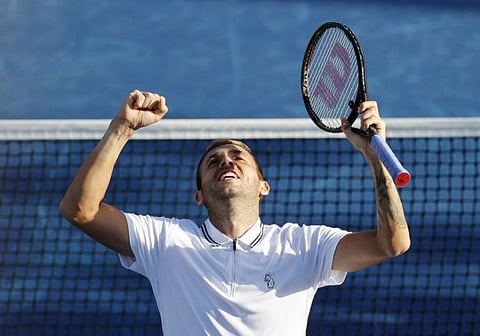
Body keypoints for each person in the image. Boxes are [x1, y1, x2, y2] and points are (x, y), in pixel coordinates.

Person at [59, 89, 410, 335]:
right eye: (213, 161)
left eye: (238, 156)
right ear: (199, 195)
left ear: (263, 186)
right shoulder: (166, 241)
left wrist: (375, 157)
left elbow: (391, 244)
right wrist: (122, 129)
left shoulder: (305, 246)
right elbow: (81, 211)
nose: (226, 160)